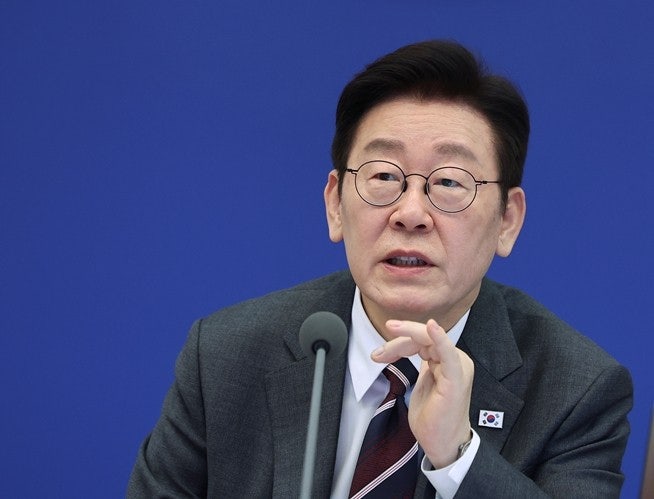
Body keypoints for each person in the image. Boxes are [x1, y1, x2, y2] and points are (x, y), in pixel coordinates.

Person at [127, 40, 633, 498]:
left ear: (507, 221)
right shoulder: (225, 358)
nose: (410, 213)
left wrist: (458, 457)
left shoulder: (576, 391)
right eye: (385, 176)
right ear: (335, 205)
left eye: (449, 182)